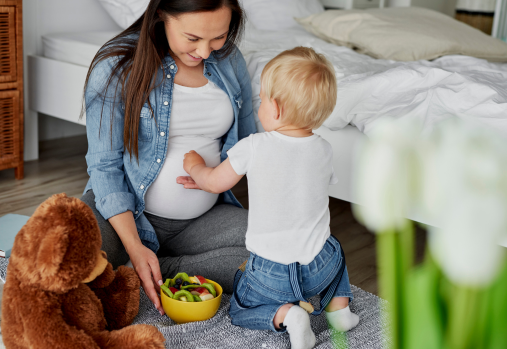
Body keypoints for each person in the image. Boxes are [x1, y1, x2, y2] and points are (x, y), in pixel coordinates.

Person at [80, 0, 256, 317]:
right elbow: (104, 167)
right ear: (162, 15)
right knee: (70, 258)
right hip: (124, 217)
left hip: (201, 221)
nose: (205, 52)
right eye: (193, 38)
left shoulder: (229, 60)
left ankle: (159, 267)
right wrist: (135, 244)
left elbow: (248, 143)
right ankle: (134, 257)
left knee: (279, 253)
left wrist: (217, 176)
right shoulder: (116, 64)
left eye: (218, 37)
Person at [180, 47, 360, 348]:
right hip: (320, 265)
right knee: (334, 249)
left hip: (271, 273)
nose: (259, 104)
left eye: (261, 99)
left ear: (275, 109)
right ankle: (339, 310)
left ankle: (287, 315)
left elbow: (213, 182)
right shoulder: (325, 150)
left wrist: (195, 166)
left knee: (239, 308)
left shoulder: (254, 146)